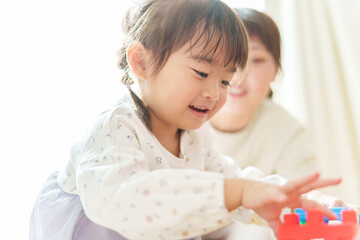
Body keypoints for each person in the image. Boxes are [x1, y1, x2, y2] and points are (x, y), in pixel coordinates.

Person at [29, 1, 341, 240]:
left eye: (224, 81)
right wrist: (238, 192)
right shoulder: (116, 125)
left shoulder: (195, 137)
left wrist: (284, 197)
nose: (213, 93)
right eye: (202, 73)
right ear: (141, 61)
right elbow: (122, 200)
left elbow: (231, 176)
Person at [210, 8, 316, 181]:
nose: (239, 75)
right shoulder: (178, 121)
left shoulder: (290, 134)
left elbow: (299, 198)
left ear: (276, 70)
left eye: (255, 60)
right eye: (228, 58)